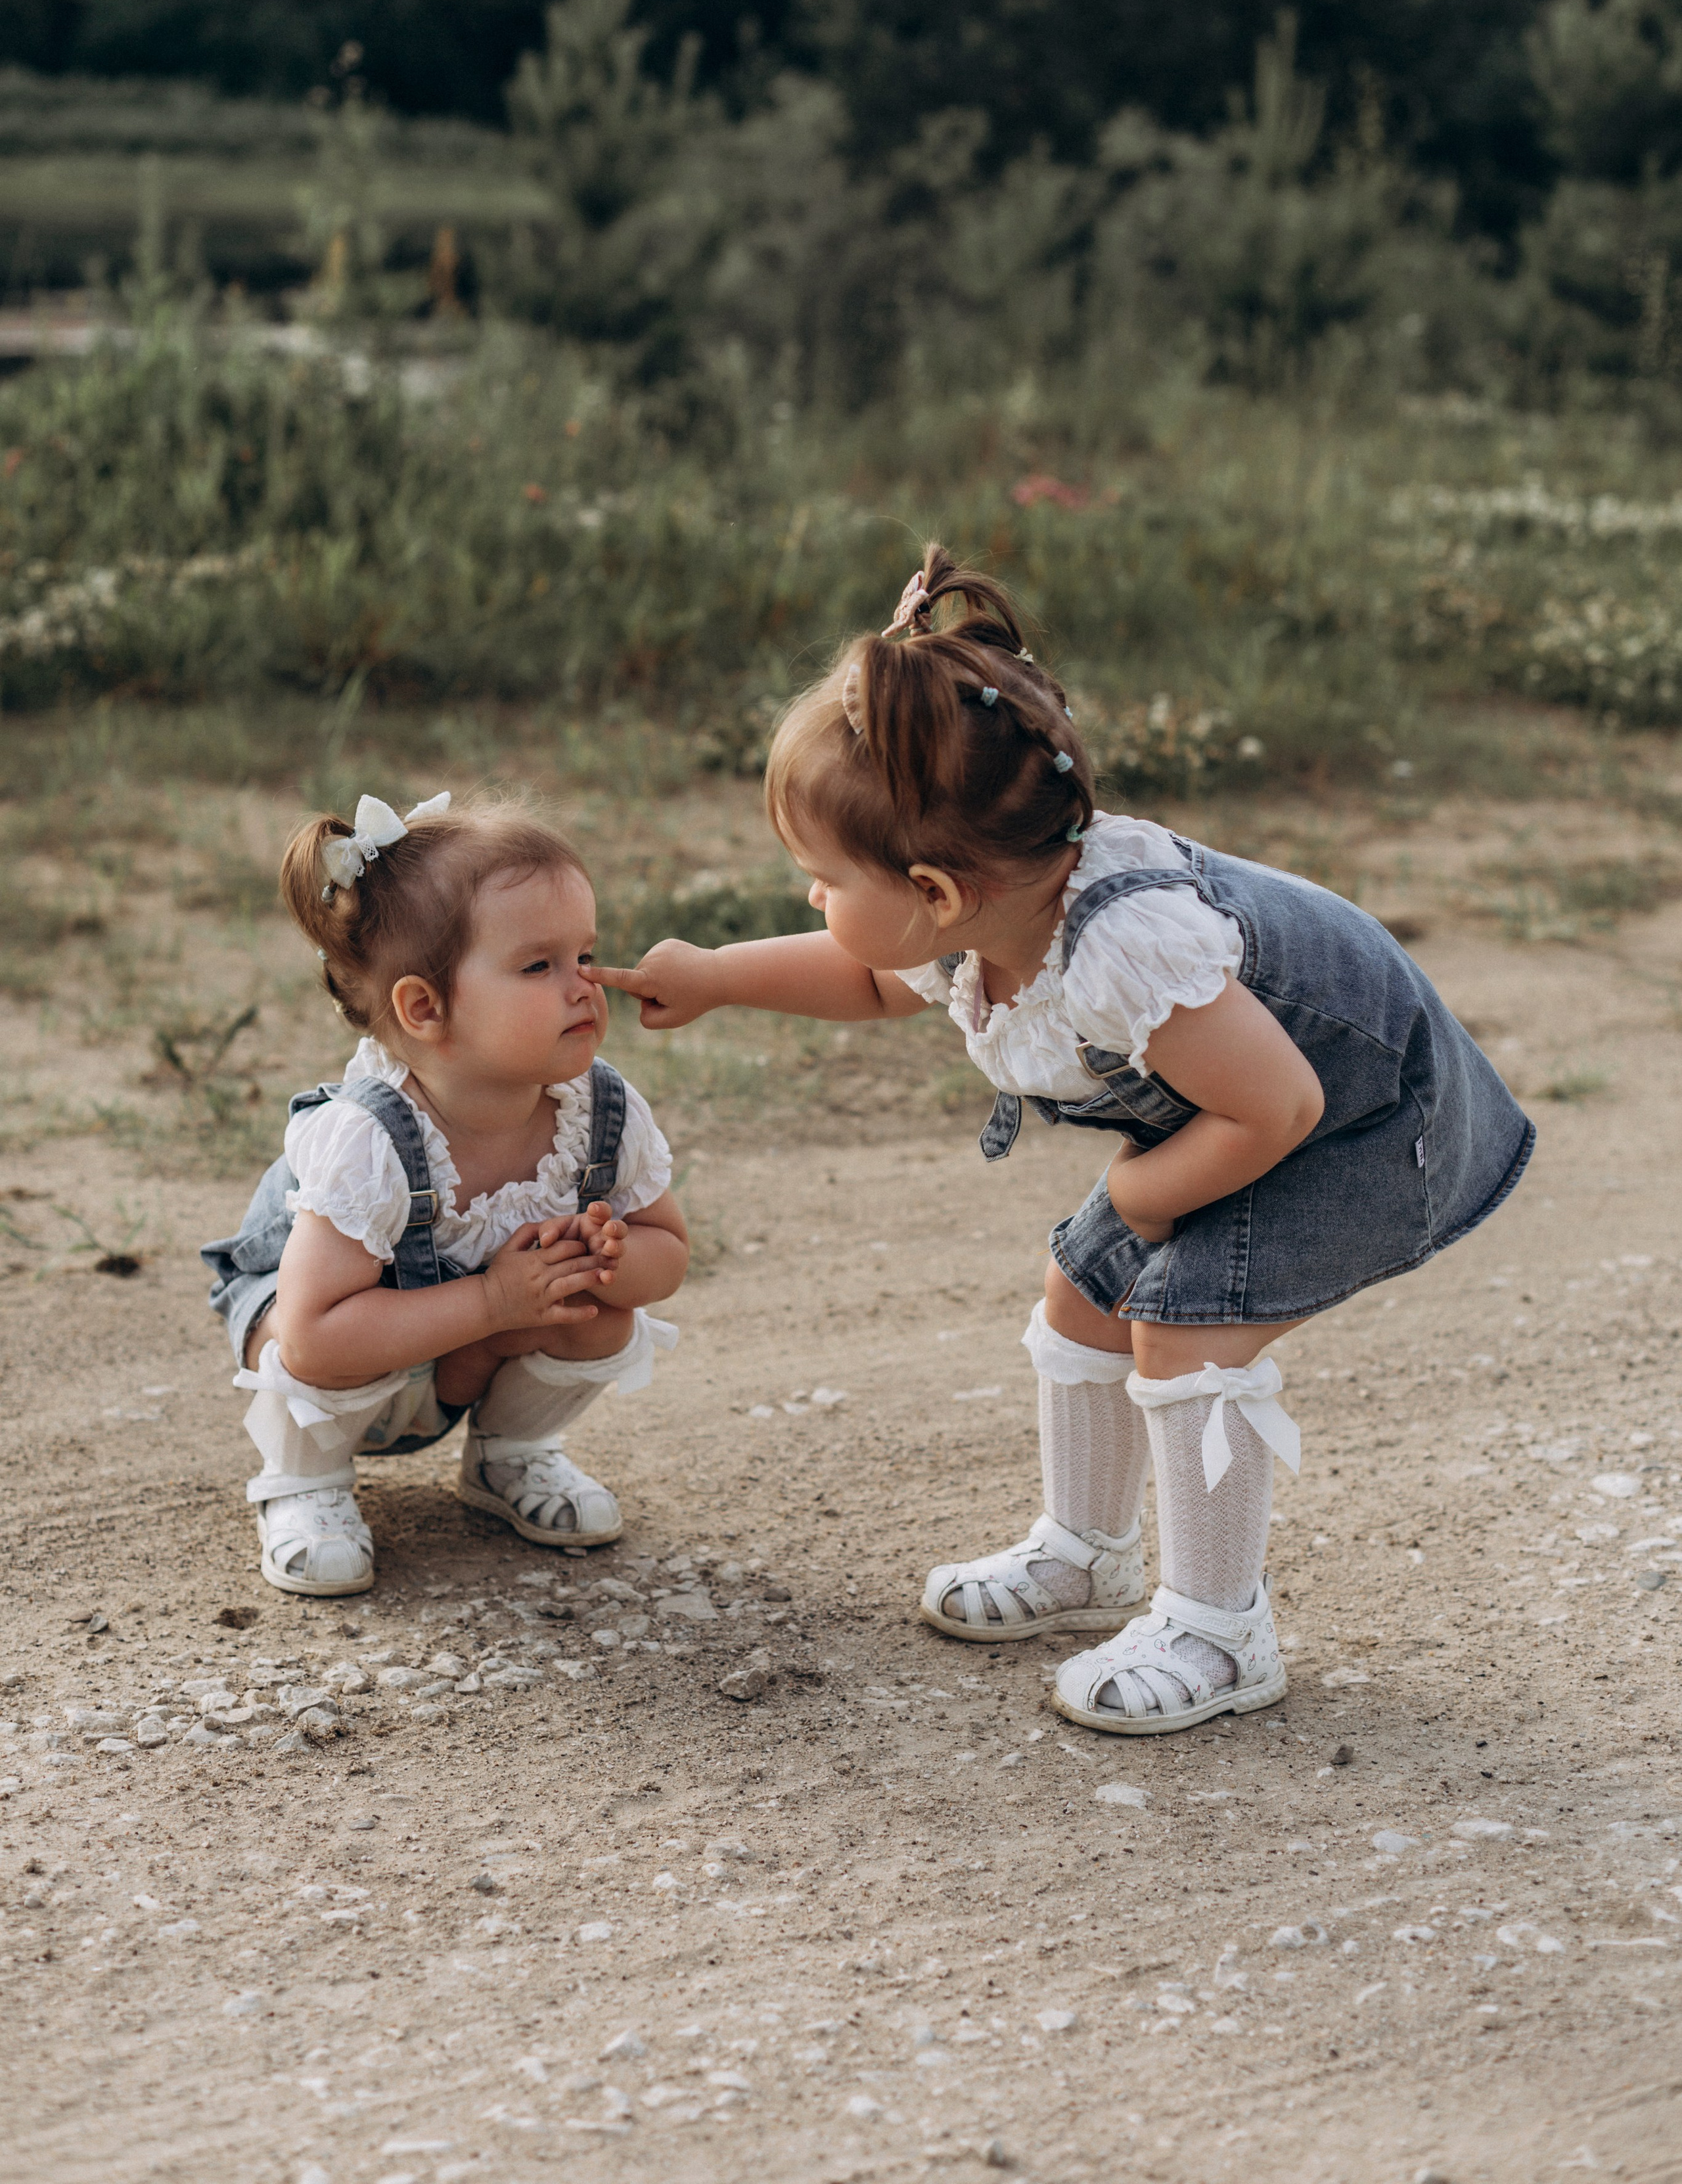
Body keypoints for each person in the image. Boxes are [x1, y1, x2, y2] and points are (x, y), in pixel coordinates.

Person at [591, 547, 1532, 1735]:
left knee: (1185, 1321)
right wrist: (721, 977)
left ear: (934, 890)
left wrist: (1150, 1192)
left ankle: (1218, 1628)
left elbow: (1281, 1108)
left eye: (819, 880)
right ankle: (1087, 1553)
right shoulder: (986, 910)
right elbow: (880, 982)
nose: (814, 902)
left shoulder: (1126, 943)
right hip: (1245, 1110)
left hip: (1373, 1121)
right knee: (1084, 1284)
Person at [202, 791, 688, 1597]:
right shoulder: (371, 1139)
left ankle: (511, 1455)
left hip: (464, 1353)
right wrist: (495, 1303)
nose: (585, 985)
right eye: (540, 965)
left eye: (585, 954)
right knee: (293, 1341)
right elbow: (314, 1337)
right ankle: (305, 1486)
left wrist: (605, 1259)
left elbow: (666, 1254)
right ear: (424, 1008)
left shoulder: (598, 1110)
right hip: (345, 1355)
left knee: (608, 1316)